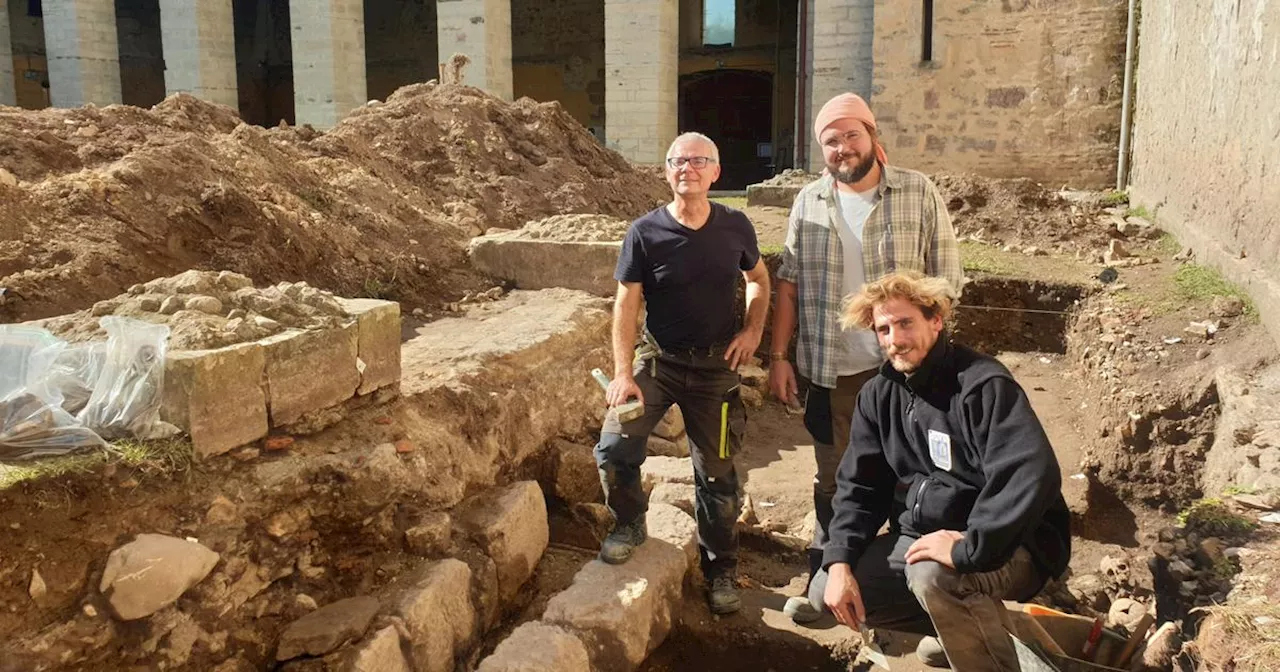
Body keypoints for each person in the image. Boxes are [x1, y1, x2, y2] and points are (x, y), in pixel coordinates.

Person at [809, 271, 1071, 670]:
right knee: (826, 589)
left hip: (1011, 544)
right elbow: (859, 488)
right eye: (883, 329)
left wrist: (970, 546)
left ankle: (983, 655)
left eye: (905, 323)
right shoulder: (879, 395)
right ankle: (958, 628)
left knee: (934, 577)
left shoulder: (981, 385)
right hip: (922, 540)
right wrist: (839, 560)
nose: (894, 339)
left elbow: (1030, 472)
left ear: (936, 319)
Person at [768, 92, 964, 623]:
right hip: (835, 368)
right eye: (830, 140)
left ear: (873, 136)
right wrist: (780, 356)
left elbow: (947, 280)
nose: (841, 147)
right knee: (835, 477)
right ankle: (827, 578)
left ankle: (923, 597)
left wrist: (933, 358)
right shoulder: (809, 201)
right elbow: (788, 285)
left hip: (905, 369)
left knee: (920, 478)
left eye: (851, 134)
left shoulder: (917, 192)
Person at [593, 131, 771, 615]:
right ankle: (629, 523)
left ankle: (722, 568)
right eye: (677, 161)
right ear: (666, 171)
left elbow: (757, 279)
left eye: (698, 161)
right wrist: (623, 372)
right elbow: (627, 301)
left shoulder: (735, 226)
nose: (686, 168)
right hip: (660, 361)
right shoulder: (644, 232)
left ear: (716, 172)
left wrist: (753, 331)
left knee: (716, 475)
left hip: (716, 369)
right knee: (613, 447)